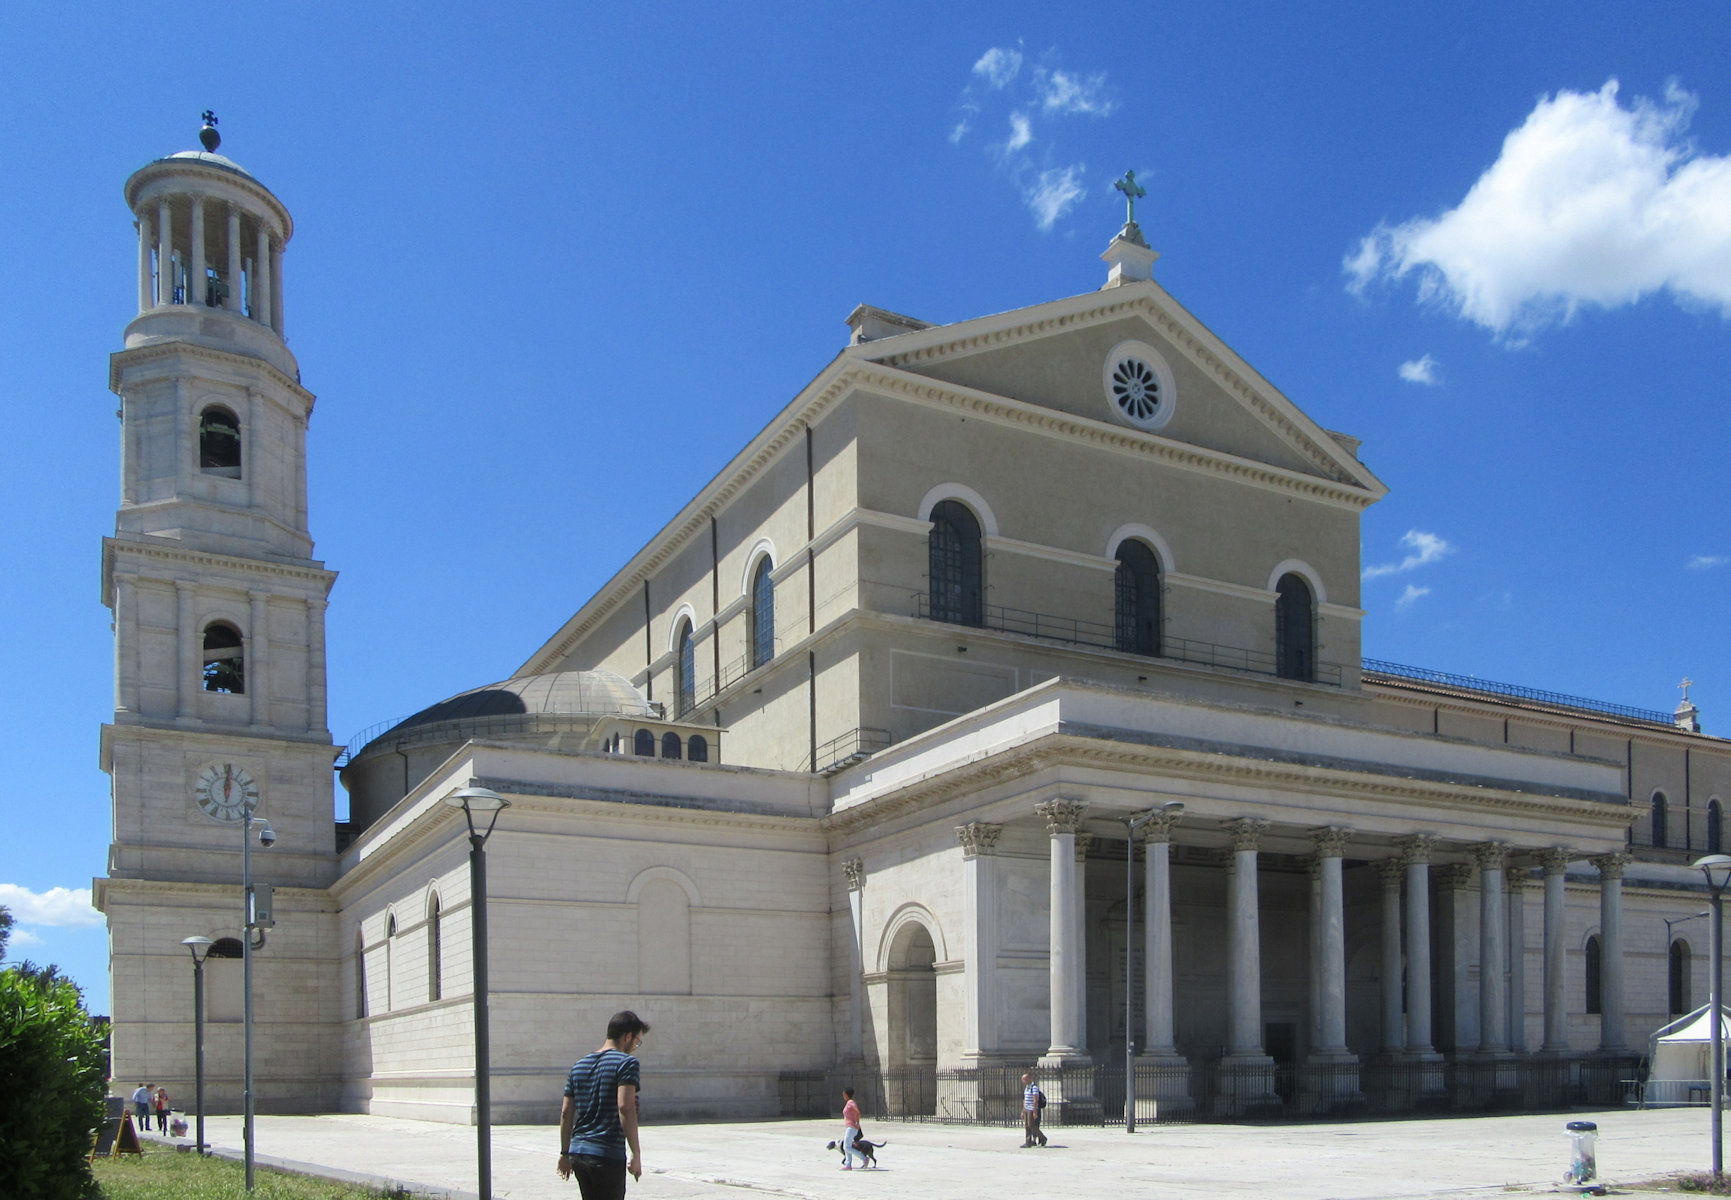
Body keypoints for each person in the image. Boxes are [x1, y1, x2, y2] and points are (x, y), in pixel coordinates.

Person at [558, 1010, 650, 1199]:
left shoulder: (579, 1065)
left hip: (579, 1154)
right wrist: (636, 1153)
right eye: (637, 1042)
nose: (635, 1047)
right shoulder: (627, 1063)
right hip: (607, 1154)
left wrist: (564, 1153)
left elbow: (566, 1112)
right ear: (627, 1036)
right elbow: (625, 1107)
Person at [839, 1087, 862, 1170]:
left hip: (852, 1127)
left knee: (846, 1147)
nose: (843, 1096)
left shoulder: (851, 1102)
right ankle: (848, 1165)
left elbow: (858, 1112)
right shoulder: (849, 1102)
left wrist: (857, 1122)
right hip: (849, 1126)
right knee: (847, 1146)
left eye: (844, 1094)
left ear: (847, 1095)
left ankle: (863, 1158)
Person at [1021, 1072, 1046, 1147]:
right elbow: (1025, 1099)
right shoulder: (1027, 1087)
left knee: (1031, 1125)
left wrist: (1035, 1111)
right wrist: (1023, 1110)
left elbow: (1035, 1100)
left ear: (1028, 1079)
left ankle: (1043, 1138)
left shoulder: (1034, 1087)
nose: (1023, 1081)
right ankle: (1028, 1142)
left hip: (1031, 1109)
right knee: (1026, 1126)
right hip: (1026, 1108)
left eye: (1024, 1080)